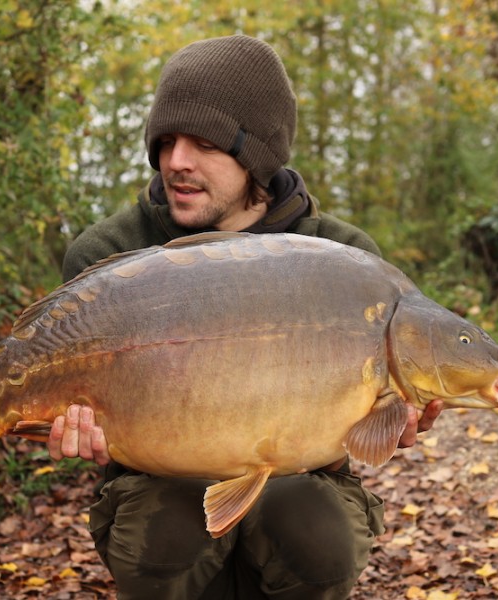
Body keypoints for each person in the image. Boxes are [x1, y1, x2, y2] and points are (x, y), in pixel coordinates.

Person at [47, 35, 443, 600]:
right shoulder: (110, 253)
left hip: (305, 482)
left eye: (204, 143)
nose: (175, 162)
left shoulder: (344, 258)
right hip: (156, 481)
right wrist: (66, 419)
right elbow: (75, 399)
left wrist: (390, 421)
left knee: (313, 534)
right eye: (165, 141)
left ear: (257, 154)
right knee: (164, 542)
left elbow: (369, 424)